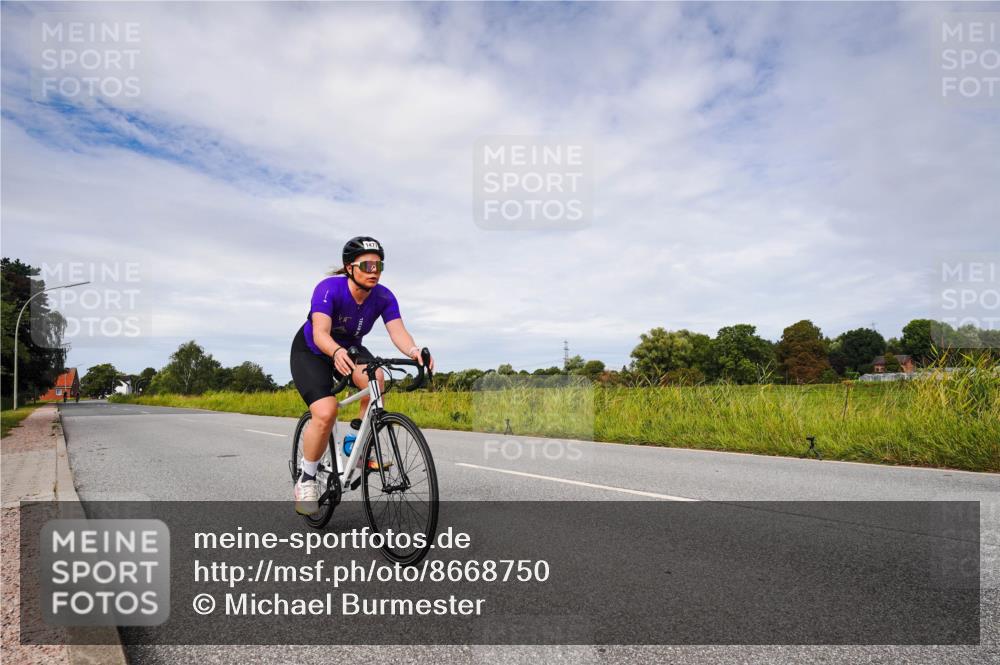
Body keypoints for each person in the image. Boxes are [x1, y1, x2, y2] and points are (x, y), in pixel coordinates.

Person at [289, 236, 434, 516]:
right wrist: (334, 352)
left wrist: (414, 350)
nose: (374, 271)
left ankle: (354, 441)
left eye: (379, 264)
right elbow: (320, 333)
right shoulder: (329, 289)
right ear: (349, 268)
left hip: (349, 347)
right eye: (367, 265)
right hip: (313, 350)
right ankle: (306, 479)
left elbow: (398, 331)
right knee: (326, 411)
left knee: (376, 378)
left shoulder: (383, 296)